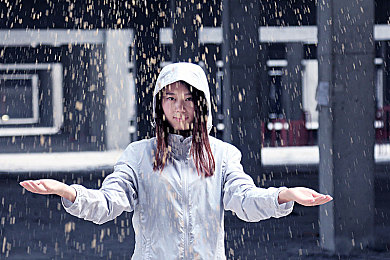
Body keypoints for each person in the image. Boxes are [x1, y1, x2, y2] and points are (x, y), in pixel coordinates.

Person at [20, 62, 332, 259]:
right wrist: (70, 193)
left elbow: (245, 200)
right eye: (171, 98)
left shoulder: (222, 156)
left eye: (188, 99)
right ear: (160, 104)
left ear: (202, 105)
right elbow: (108, 203)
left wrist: (283, 195)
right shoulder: (138, 156)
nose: (179, 108)